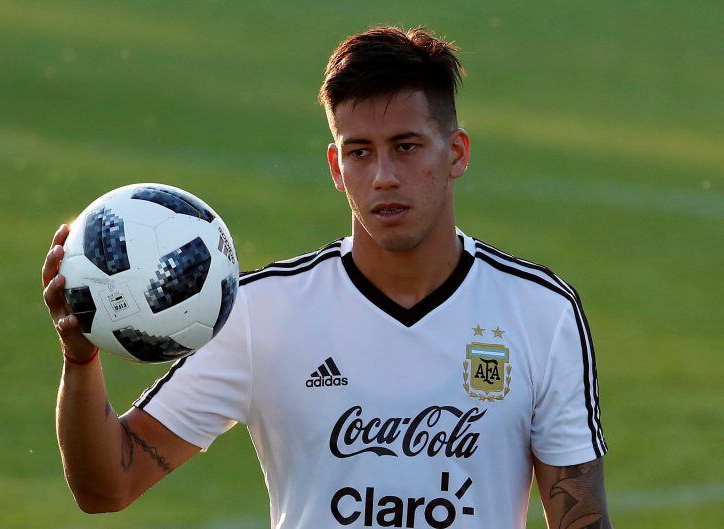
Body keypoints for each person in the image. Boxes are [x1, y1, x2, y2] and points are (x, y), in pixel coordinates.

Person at [42, 26, 611, 529]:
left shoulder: (539, 312)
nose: (384, 176)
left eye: (406, 147)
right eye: (360, 152)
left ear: (456, 152)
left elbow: (579, 518)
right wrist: (81, 358)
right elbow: (107, 487)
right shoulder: (262, 312)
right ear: (337, 168)